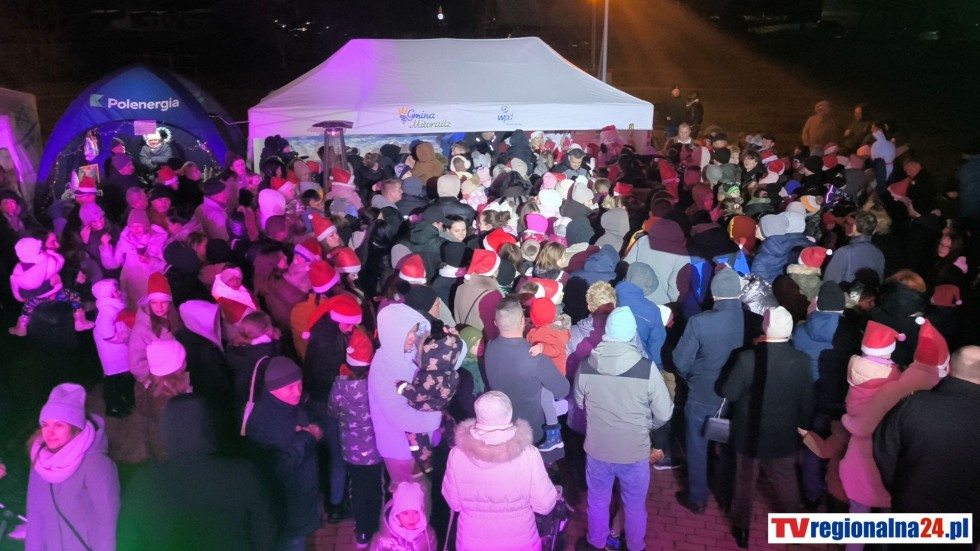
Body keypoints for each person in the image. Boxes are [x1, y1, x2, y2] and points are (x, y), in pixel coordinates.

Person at [117, 395, 275, 551]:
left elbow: (127, 542)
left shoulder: (143, 485)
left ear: (167, 430)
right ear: (211, 426)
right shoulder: (244, 475)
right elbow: (266, 538)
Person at [574, 306, 673, 551]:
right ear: (631, 333)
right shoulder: (646, 368)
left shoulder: (586, 365)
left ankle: (596, 542)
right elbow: (664, 412)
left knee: (598, 501)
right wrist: (647, 425)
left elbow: (579, 402)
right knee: (635, 504)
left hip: (598, 448)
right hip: (634, 450)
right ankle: (635, 545)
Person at [720, 307, 814, 548]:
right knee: (786, 481)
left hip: (749, 432)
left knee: (745, 481)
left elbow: (729, 392)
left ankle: (742, 530)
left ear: (765, 328)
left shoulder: (747, 358)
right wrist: (803, 427)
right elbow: (807, 401)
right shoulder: (801, 361)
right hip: (783, 433)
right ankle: (795, 530)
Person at [873, 346, 980, 549]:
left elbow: (883, 450)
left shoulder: (913, 404)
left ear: (948, 368)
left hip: (910, 512)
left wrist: (900, 487)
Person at [443, 391, 559, 551]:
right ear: (509, 413)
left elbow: (454, 503)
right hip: (520, 541)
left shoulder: (457, 454)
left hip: (472, 541)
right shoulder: (528, 454)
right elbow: (544, 504)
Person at [673, 266, 746, 512]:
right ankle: (725, 493)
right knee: (726, 445)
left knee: (697, 445)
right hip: (734, 395)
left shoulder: (700, 322)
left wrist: (691, 378)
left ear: (714, 294)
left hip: (703, 391)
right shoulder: (750, 319)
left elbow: (680, 361)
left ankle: (698, 497)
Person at [26, 384, 120, 551]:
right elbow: (35, 522)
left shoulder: (96, 464)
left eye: (59, 425)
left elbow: (109, 522)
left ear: (75, 427)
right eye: (45, 424)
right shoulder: (40, 464)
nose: (50, 432)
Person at [244, 357, 323, 551]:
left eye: (299, 384)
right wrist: (307, 438)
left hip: (302, 500)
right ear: (272, 389)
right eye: (289, 387)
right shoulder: (262, 423)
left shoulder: (292, 406)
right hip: (286, 509)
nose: (297, 391)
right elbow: (277, 469)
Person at [484, 295, 570, 459]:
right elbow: (562, 390)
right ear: (523, 321)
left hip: (502, 426)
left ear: (496, 323)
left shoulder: (489, 348)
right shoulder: (536, 358)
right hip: (533, 432)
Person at [368, 304, 441, 489]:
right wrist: (436, 415)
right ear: (392, 334)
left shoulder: (405, 355)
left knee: (421, 491)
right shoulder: (383, 368)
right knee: (408, 495)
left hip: (415, 444)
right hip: (399, 448)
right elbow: (400, 415)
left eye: (414, 331)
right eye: (406, 333)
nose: (412, 337)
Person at [329, 328, 383, 548]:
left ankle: (362, 532)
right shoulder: (376, 386)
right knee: (375, 487)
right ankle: (376, 526)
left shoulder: (339, 386)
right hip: (375, 449)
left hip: (352, 450)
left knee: (358, 488)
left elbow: (333, 411)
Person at [396, 327, 466, 475]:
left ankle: (425, 463)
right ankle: (455, 448)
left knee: (415, 435)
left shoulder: (428, 376)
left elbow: (418, 395)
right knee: (448, 425)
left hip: (421, 410)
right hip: (441, 407)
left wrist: (402, 387)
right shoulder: (453, 374)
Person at [8, 236, 93, 336]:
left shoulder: (19, 268)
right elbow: (59, 262)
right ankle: (80, 321)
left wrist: (18, 296)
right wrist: (51, 254)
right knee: (74, 297)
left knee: (27, 308)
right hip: (55, 294)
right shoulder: (47, 261)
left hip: (36, 299)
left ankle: (21, 327)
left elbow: (14, 282)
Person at [92, 279, 135, 417]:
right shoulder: (107, 310)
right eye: (115, 291)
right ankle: (113, 405)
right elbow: (107, 334)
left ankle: (124, 398)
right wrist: (122, 337)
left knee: (121, 374)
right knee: (113, 377)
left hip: (117, 349)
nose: (119, 293)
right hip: (112, 350)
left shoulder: (112, 307)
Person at [369, 482, 438, 551]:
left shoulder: (429, 535)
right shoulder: (383, 540)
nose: (411, 518)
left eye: (416, 512)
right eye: (405, 513)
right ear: (396, 514)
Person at [823, 210, 886, 286]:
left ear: (854, 227)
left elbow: (829, 285)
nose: (845, 225)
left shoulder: (844, 253)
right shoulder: (879, 254)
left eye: (848, 223)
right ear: (873, 231)